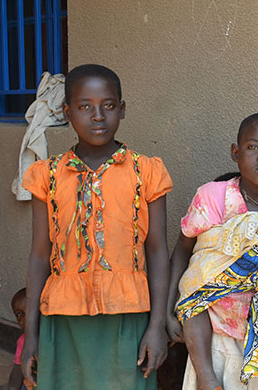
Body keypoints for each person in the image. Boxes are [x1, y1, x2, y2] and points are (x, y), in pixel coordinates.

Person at [21, 64, 173, 389]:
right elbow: (39, 255)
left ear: (122, 109)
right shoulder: (47, 176)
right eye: (84, 107)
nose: (98, 116)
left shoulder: (146, 172)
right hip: (63, 319)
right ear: (67, 112)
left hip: (128, 317)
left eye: (108, 105)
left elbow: (158, 251)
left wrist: (157, 325)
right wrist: (30, 334)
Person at [165, 113, 258, 390]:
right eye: (253, 147)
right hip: (213, 332)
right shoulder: (213, 196)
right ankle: (207, 379)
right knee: (200, 273)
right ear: (236, 152)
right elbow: (183, 252)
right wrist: (168, 310)